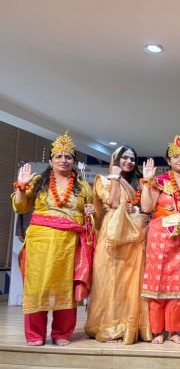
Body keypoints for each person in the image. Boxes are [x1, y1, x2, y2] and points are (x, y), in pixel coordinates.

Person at [12, 131, 94, 346]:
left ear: (74, 162)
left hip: (69, 244)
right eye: (58, 156)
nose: (63, 160)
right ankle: (35, 334)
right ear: (50, 161)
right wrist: (21, 187)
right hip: (40, 242)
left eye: (68, 157)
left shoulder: (83, 187)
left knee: (65, 287)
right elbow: (20, 207)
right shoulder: (37, 181)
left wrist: (92, 215)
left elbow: (90, 215)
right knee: (37, 286)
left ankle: (61, 333)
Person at [84, 145, 152, 344]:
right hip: (112, 236)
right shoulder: (103, 180)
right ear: (115, 159)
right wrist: (115, 177)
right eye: (124, 158)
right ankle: (109, 327)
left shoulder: (137, 184)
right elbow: (113, 203)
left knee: (130, 282)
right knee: (110, 280)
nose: (129, 162)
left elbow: (146, 208)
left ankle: (129, 326)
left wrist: (136, 207)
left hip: (133, 237)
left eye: (132, 159)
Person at [140, 135, 180, 345]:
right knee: (158, 284)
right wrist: (147, 182)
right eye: (175, 156)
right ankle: (157, 330)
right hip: (161, 237)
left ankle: (174, 330)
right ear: (168, 160)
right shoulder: (159, 182)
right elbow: (147, 208)